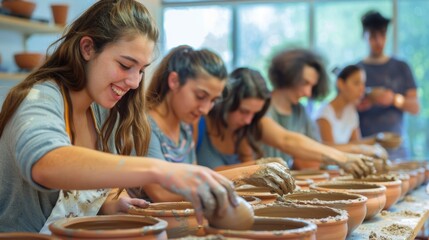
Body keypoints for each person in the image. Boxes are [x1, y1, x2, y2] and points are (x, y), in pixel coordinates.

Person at [0, 0, 237, 232]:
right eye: (125, 65)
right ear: (87, 48)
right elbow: (46, 164)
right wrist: (161, 170)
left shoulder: (104, 110)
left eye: (141, 70)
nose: (135, 82)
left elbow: (85, 182)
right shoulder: (41, 97)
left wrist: (107, 203)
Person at [128, 45, 294, 203]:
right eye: (200, 96)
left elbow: (192, 179)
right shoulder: (146, 126)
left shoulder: (185, 125)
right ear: (174, 81)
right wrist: (246, 173)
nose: (206, 110)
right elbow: (162, 194)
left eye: (213, 101)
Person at [196, 67, 375, 178]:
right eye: (244, 111)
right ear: (226, 101)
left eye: (254, 113)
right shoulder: (200, 121)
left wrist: (343, 158)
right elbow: (207, 176)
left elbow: (288, 140)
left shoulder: (249, 124)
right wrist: (257, 167)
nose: (248, 119)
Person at [264, 49, 386, 169]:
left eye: (312, 86)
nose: (308, 92)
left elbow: (318, 147)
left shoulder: (299, 111)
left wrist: (359, 150)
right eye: (305, 83)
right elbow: (287, 141)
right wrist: (348, 155)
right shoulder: (262, 109)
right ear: (288, 76)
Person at [357, 10, 420, 160]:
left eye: (382, 35)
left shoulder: (401, 67)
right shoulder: (356, 71)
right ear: (364, 36)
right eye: (373, 36)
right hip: (364, 151)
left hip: (398, 151)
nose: (378, 41)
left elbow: (416, 107)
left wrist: (394, 99)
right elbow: (341, 110)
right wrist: (363, 102)